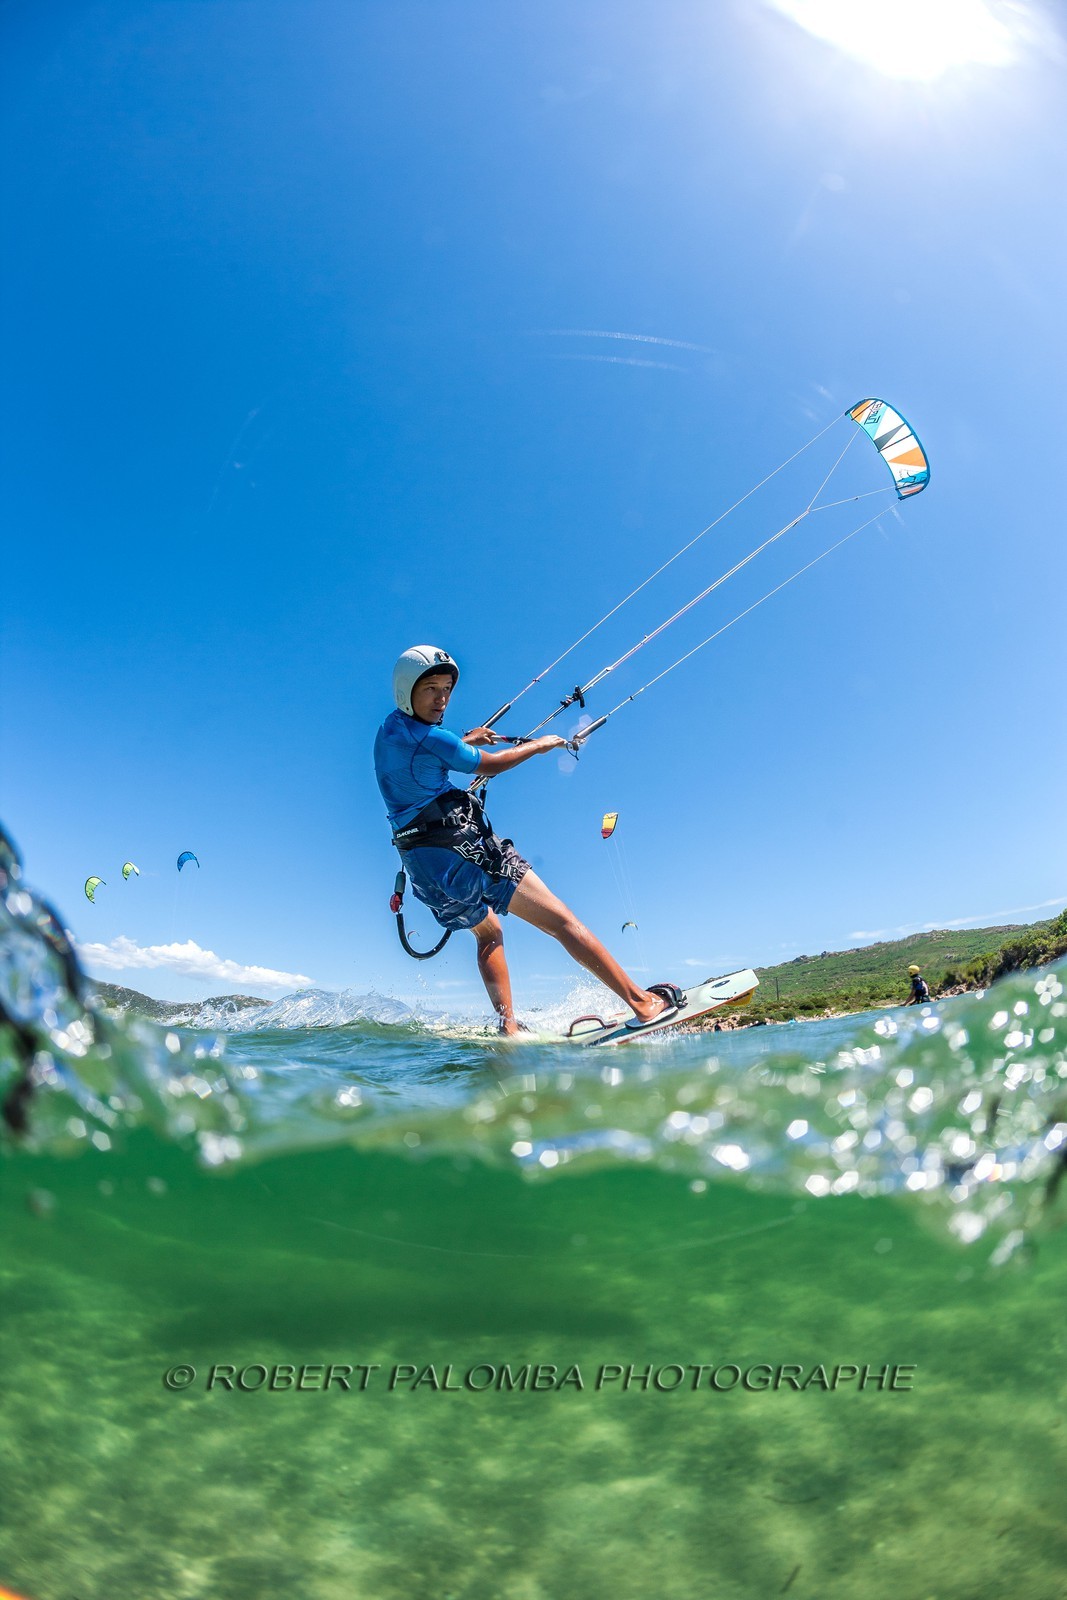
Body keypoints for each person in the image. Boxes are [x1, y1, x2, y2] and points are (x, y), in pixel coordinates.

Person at [374, 645, 682, 1035]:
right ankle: (644, 1004)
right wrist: (541, 744)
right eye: (431, 688)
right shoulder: (435, 739)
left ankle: (509, 1027)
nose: (441, 698)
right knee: (562, 921)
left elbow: (425, 750)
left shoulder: (389, 730)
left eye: (447, 688)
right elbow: (491, 765)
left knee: (488, 932)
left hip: (424, 869)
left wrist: (467, 738)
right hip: (463, 854)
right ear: (407, 691)